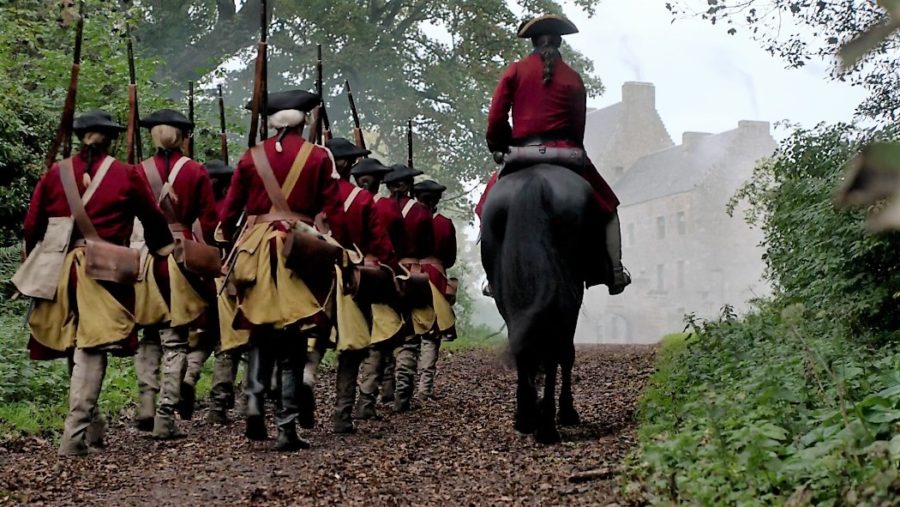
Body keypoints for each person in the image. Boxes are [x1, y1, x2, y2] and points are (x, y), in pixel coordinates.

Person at [20, 111, 174, 456]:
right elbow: (152, 219)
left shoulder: (55, 174)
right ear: (111, 139)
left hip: (61, 271)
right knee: (91, 347)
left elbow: (32, 226)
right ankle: (73, 438)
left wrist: (35, 258)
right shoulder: (126, 174)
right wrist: (162, 249)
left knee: (76, 344)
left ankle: (93, 428)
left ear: (80, 138)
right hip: (104, 274)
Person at [219, 89, 347, 451]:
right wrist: (340, 244)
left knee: (260, 329)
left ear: (272, 121)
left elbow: (230, 212)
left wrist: (226, 240)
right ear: (303, 119)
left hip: (256, 248)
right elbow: (333, 208)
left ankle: (255, 400)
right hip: (300, 248)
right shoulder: (319, 156)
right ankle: (287, 427)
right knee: (293, 340)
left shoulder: (250, 156)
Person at [484, 14, 630, 295]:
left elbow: (496, 117)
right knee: (609, 208)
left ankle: (492, 278)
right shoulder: (573, 78)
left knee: (486, 206)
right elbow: (578, 126)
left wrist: (498, 145)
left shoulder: (515, 71)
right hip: (567, 153)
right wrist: (573, 148)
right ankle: (614, 271)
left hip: (521, 154)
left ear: (533, 42)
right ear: (560, 42)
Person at [131, 109, 218, 439]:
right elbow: (208, 221)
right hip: (181, 258)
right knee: (176, 341)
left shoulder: (138, 171)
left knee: (149, 336)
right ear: (183, 136)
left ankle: (145, 404)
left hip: (144, 257)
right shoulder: (195, 171)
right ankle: (165, 417)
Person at [323, 138, 401, 433]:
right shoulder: (363, 199)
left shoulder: (308, 196)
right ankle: (342, 414)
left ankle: (288, 414)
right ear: (345, 166)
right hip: (347, 278)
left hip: (310, 277)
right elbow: (382, 247)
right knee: (352, 348)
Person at [351, 158, 407, 420]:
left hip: (347, 277)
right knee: (378, 340)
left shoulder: (345, 202)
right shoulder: (387, 208)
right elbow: (393, 246)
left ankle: (344, 407)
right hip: (378, 277)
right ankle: (365, 400)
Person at [383, 164, 435, 413]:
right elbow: (428, 247)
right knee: (411, 338)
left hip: (386, 274)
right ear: (408, 185)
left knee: (385, 331)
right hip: (412, 273)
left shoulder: (379, 207)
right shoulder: (422, 211)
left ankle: (386, 390)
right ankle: (402, 394)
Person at [203, 159, 246, 425]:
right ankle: (228, 404)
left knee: (217, 345)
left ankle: (218, 403)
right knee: (235, 345)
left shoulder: (198, 211)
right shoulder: (233, 212)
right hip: (230, 279)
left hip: (203, 281)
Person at [413, 180, 457, 400]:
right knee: (432, 336)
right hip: (437, 277)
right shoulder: (445, 224)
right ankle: (424, 388)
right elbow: (450, 258)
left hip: (411, 273)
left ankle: (401, 388)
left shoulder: (408, 219)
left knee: (409, 334)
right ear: (437, 200)